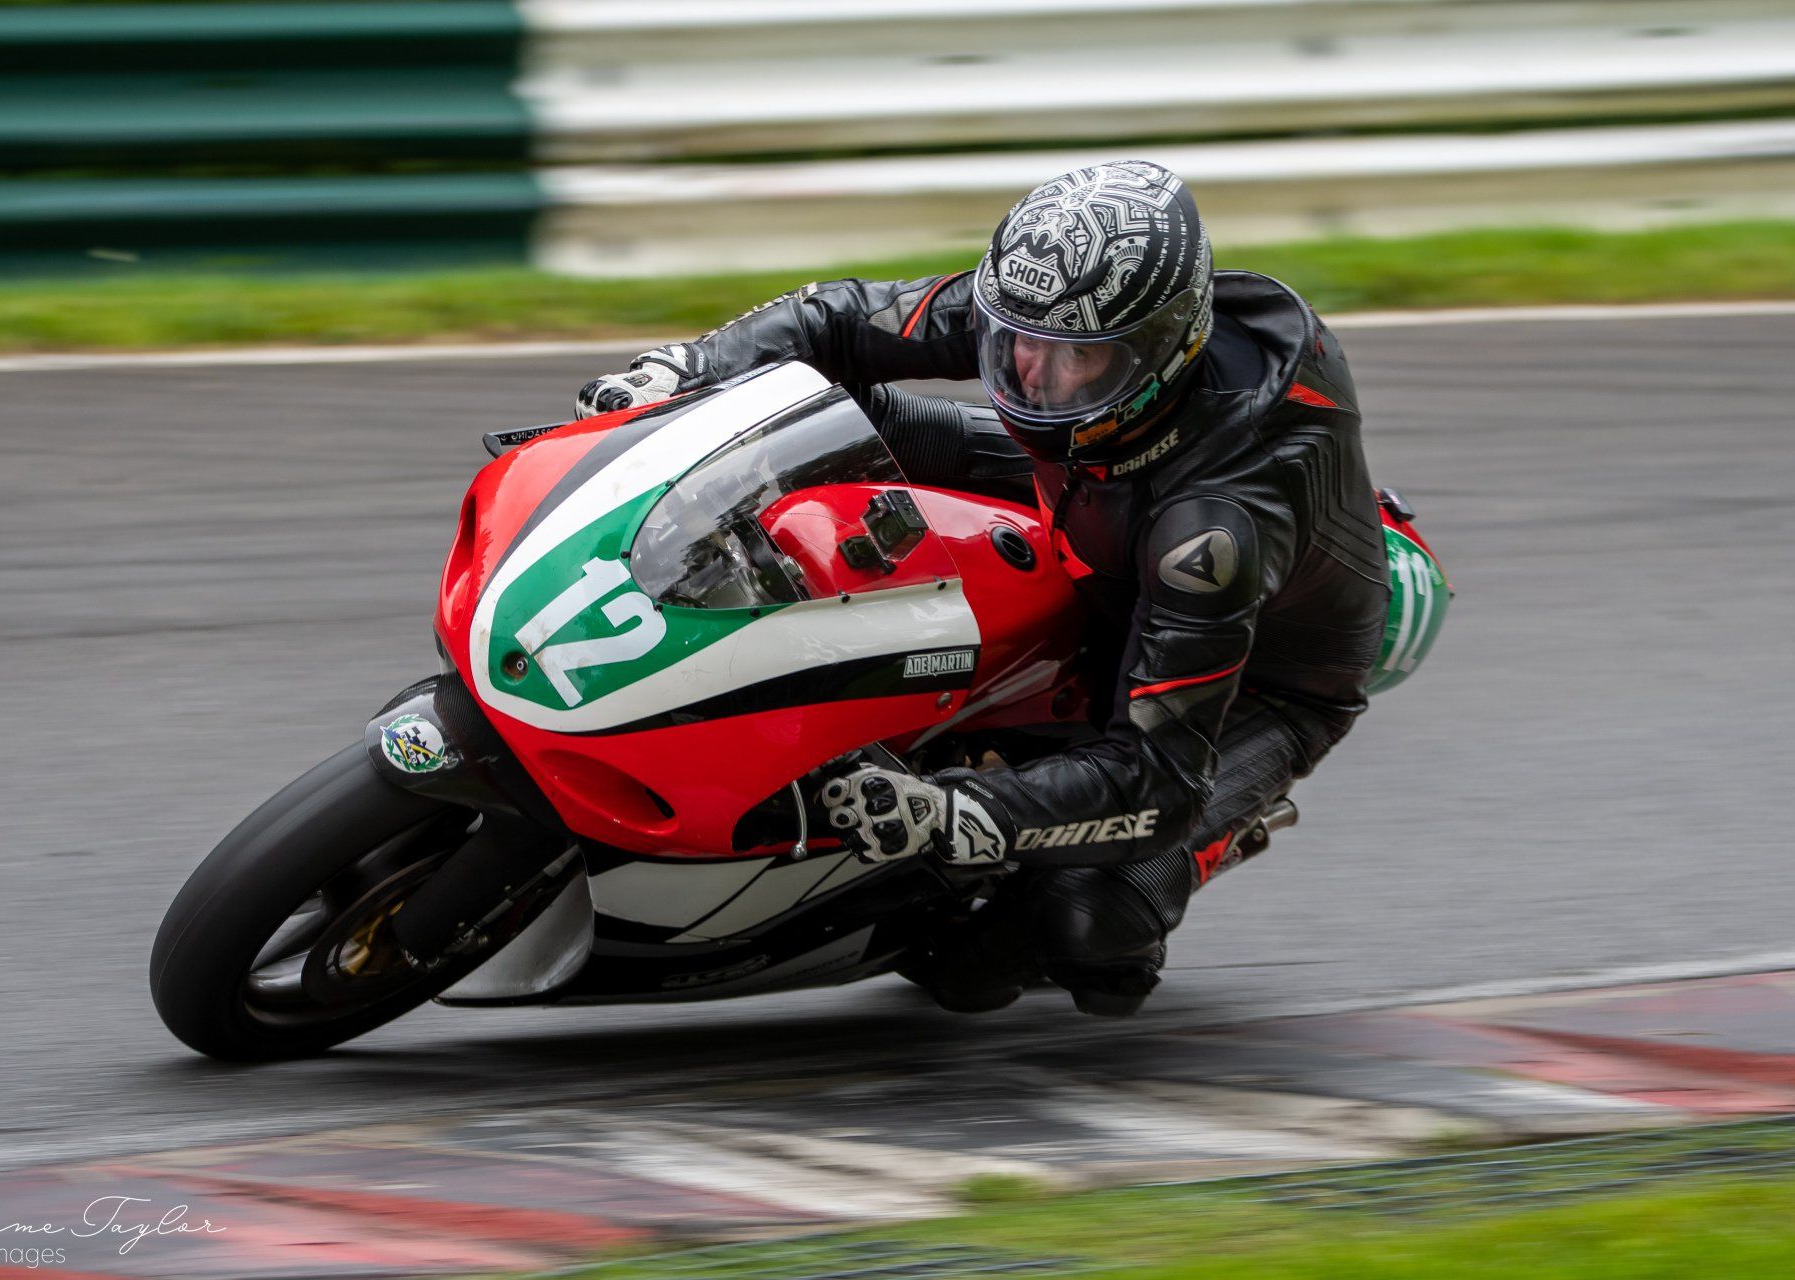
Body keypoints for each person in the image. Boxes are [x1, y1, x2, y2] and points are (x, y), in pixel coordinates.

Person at [576, 161, 1390, 1016]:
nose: (1032, 373)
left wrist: (952, 809)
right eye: (1015, 341)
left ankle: (1199, 854)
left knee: (1061, 931)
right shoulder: (1064, 299)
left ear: (1163, 353)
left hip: (1258, 671)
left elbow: (1153, 779)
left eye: (1078, 360)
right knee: (835, 422)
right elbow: (838, 319)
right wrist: (684, 369)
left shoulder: (1214, 531)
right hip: (1091, 487)